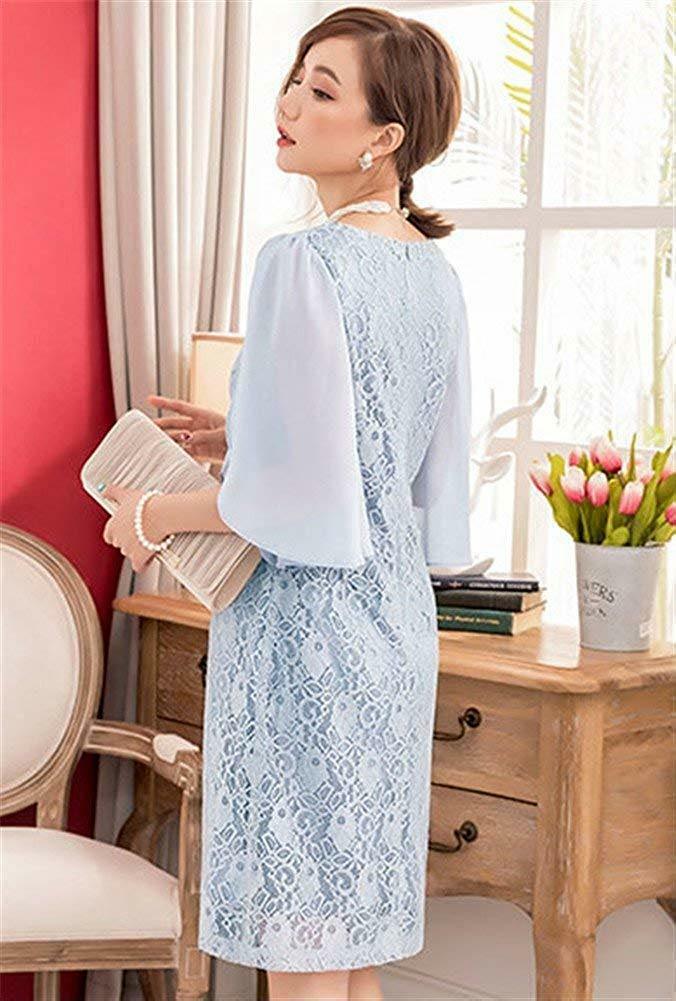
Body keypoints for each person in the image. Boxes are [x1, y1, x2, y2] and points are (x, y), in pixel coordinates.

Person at [101, 6, 472, 1000]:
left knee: (299, 945)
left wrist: (153, 516)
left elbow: (300, 500)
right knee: (348, 948)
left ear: (384, 135)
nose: (290, 103)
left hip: (307, 637)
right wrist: (244, 437)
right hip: (394, 630)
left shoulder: (301, 260)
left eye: (322, 89)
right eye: (294, 79)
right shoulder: (433, 276)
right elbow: (411, 475)